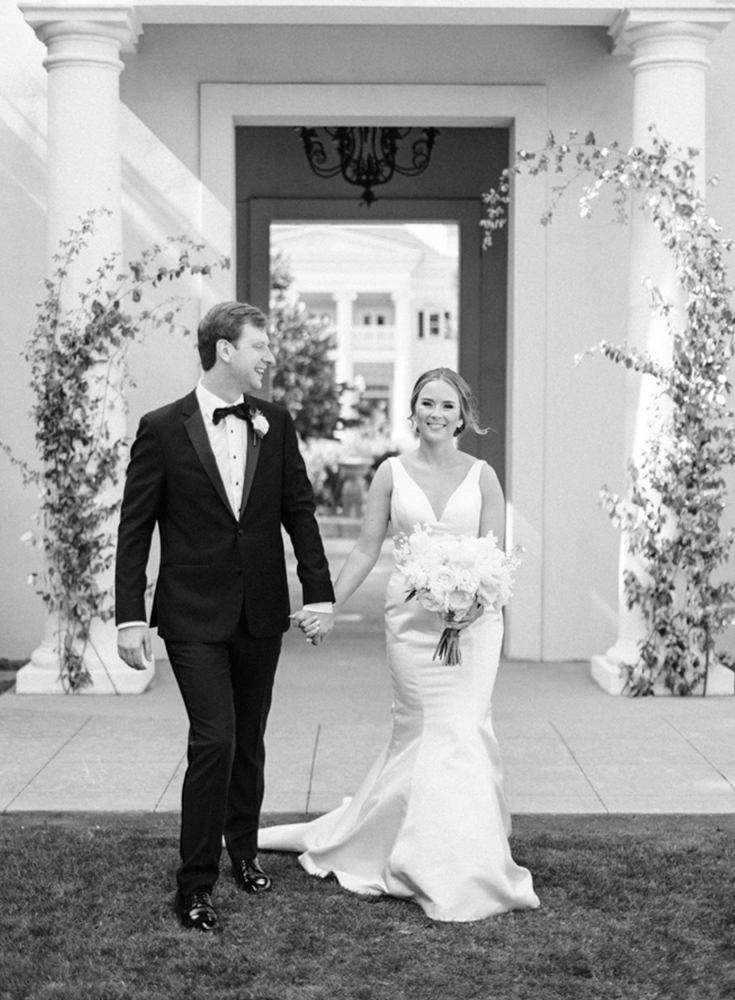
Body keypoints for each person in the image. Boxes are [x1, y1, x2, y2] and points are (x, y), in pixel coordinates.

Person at [260, 368, 540, 922]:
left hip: (474, 624)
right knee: (423, 733)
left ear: (463, 415)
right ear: (413, 412)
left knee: (461, 730)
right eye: (426, 404)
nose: (436, 413)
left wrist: (472, 603)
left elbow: (494, 556)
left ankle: (464, 862)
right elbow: (366, 549)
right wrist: (327, 603)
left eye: (446, 405)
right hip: (412, 626)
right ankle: (414, 851)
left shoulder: (484, 477)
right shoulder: (390, 473)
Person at [115, 301, 335, 932]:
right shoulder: (162, 427)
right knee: (214, 738)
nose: (271, 356)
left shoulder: (277, 422)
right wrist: (129, 617)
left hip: (260, 610)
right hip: (190, 615)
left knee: (250, 738)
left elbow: (299, 512)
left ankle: (243, 851)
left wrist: (316, 593)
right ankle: (194, 883)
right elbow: (135, 531)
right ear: (225, 351)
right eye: (260, 346)